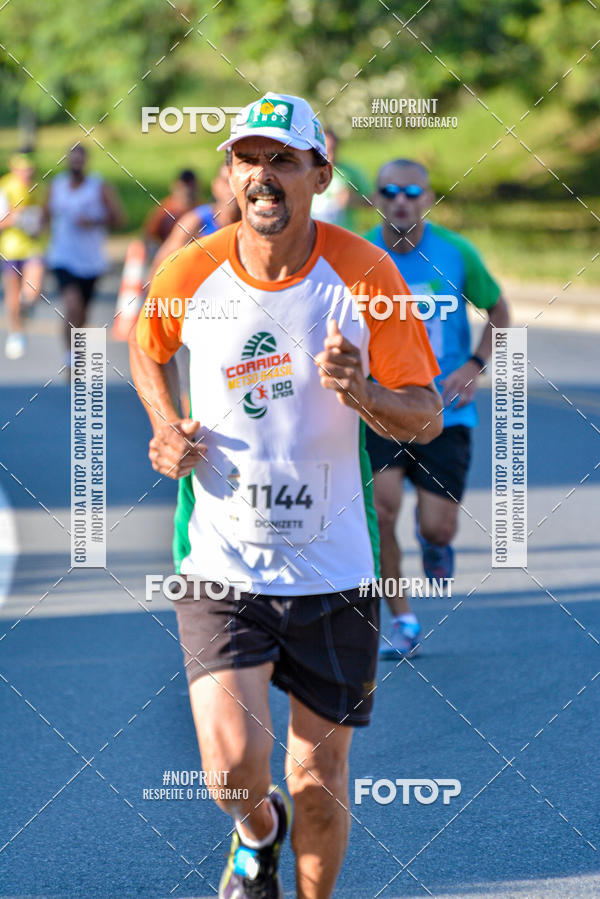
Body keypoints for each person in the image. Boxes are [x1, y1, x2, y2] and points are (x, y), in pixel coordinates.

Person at [130, 93, 442, 899]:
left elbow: (426, 414)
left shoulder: (366, 276)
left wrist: (362, 391)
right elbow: (144, 344)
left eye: (282, 160)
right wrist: (164, 424)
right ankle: (255, 832)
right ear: (231, 175)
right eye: (248, 160)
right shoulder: (191, 268)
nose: (262, 176)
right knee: (232, 766)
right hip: (221, 559)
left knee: (319, 779)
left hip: (335, 567)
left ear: (320, 175)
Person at [364, 159, 510, 659]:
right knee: (381, 512)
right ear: (377, 199)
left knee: (436, 525)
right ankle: (402, 619)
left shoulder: (456, 252)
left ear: (427, 199)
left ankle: (435, 543)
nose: (400, 201)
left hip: (447, 411)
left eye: (412, 192)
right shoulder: (359, 254)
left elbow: (499, 309)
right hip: (381, 407)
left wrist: (474, 364)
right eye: (389, 192)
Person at [46, 143, 124, 366]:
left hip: (90, 261)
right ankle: (69, 355)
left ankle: (77, 349)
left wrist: (93, 221)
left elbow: (119, 218)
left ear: (86, 162)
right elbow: (44, 215)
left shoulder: (99, 186)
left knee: (83, 312)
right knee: (72, 305)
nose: (76, 164)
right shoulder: (56, 186)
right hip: (62, 257)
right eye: (73, 159)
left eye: (80, 159)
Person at [149, 163, 240, 276]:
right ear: (215, 186)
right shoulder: (196, 220)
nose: (231, 190)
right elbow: (161, 265)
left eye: (236, 183)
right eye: (226, 182)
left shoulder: (253, 224)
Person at [0, 152, 46, 359]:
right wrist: (17, 219)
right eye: (22, 170)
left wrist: (38, 223)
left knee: (32, 290)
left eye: (29, 170)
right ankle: (16, 332)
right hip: (10, 249)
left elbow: (45, 217)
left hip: (33, 247)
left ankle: (27, 305)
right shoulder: (5, 187)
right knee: (13, 296)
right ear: (13, 169)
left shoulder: (39, 187)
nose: (26, 174)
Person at [310, 129, 370, 231]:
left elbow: (373, 201)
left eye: (334, 149)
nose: (331, 155)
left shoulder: (351, 172)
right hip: (313, 234)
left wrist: (352, 200)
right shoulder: (306, 171)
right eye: (326, 150)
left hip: (344, 234)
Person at [144, 168, 199, 247]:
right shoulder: (165, 209)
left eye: (190, 187)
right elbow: (149, 235)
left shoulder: (201, 210)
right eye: (183, 187)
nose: (187, 191)